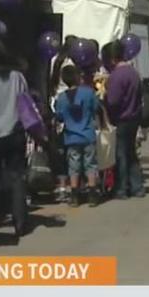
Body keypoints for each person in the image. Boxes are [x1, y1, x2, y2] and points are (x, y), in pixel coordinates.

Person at [0, 43, 33, 238]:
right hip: (15, 133)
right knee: (17, 177)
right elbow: (26, 103)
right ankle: (20, 221)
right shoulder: (17, 77)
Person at [54, 65, 101, 207]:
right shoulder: (88, 93)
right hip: (88, 134)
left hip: (71, 137)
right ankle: (92, 194)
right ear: (77, 77)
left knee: (73, 166)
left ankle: (74, 195)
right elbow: (95, 108)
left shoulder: (61, 98)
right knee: (90, 164)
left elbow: (60, 117)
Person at [106, 40, 145, 199]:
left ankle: (122, 188)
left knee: (121, 154)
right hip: (134, 117)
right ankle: (137, 187)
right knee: (131, 153)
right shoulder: (134, 73)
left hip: (121, 118)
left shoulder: (116, 76)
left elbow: (113, 101)